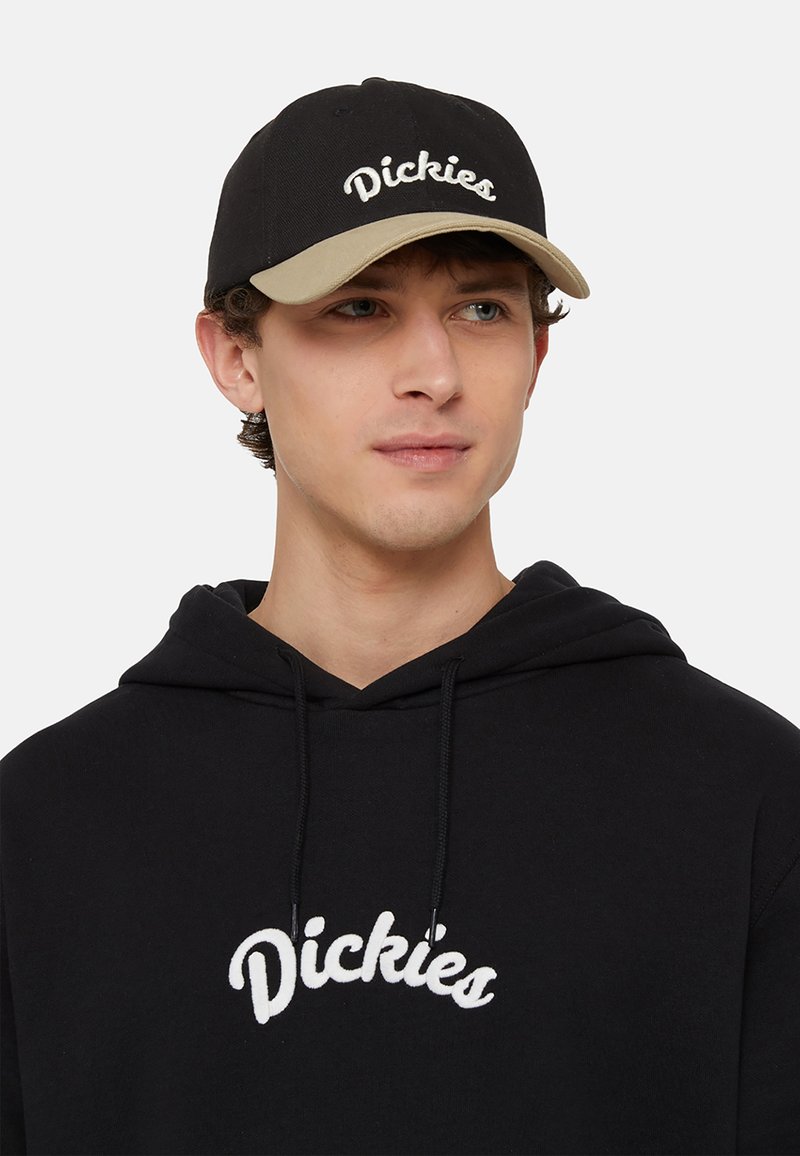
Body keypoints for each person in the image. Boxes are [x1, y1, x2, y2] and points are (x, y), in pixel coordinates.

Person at [1, 76, 798, 1156]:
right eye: (359, 308)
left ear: (536, 356)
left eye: (481, 309)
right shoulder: (48, 824)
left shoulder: (744, 795)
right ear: (237, 357)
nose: (435, 373)